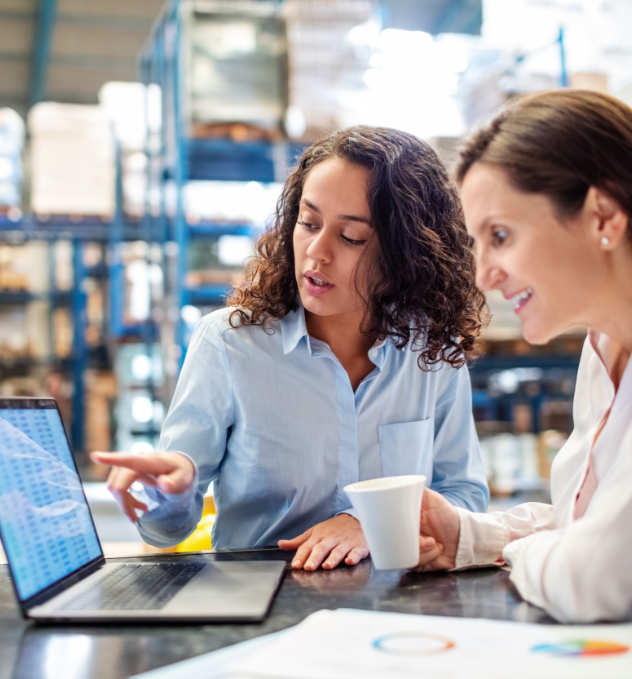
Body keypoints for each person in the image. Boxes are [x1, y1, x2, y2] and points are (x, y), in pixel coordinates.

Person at [93, 126, 489, 571]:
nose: (317, 252)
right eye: (309, 222)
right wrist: (172, 492)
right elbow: (165, 532)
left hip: (394, 608)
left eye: (351, 237)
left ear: (406, 252)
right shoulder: (229, 344)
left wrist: (368, 522)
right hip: (262, 606)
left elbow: (465, 497)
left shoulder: (432, 352)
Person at [416, 89, 632, 623]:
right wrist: (471, 535)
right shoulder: (602, 348)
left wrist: (518, 551)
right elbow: (591, 522)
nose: (484, 275)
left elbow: (593, 576)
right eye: (478, 245)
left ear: (603, 216)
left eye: (502, 236)